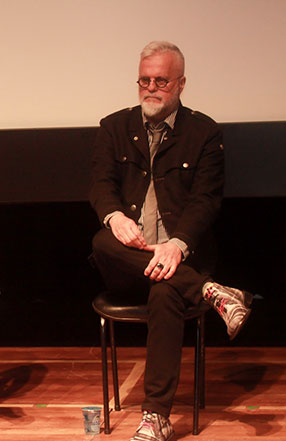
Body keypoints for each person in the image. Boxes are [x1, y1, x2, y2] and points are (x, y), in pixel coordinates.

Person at [89, 41, 252, 441]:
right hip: (129, 260)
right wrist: (114, 218)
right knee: (100, 240)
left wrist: (177, 244)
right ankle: (212, 293)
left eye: (160, 80)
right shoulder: (114, 126)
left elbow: (205, 201)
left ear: (180, 84)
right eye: (144, 80)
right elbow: (100, 185)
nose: (151, 88)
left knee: (165, 293)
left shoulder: (204, 132)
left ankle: (155, 416)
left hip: (181, 259)